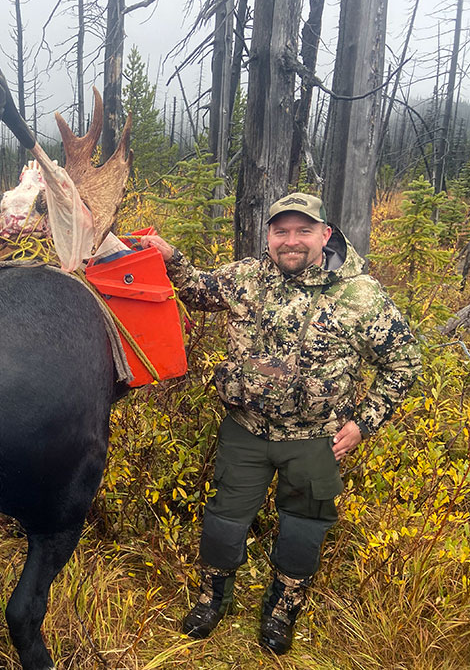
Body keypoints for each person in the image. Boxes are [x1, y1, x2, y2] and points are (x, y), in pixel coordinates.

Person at [141, 192, 420, 654]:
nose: (291, 241)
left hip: (314, 440)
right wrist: (169, 254)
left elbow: (405, 362)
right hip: (244, 430)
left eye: (303, 230)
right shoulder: (247, 277)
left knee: (303, 526)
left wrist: (364, 422)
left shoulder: (360, 295)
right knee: (224, 520)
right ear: (268, 236)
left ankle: (282, 608)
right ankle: (214, 598)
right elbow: (194, 287)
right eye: (280, 231)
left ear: (325, 235)